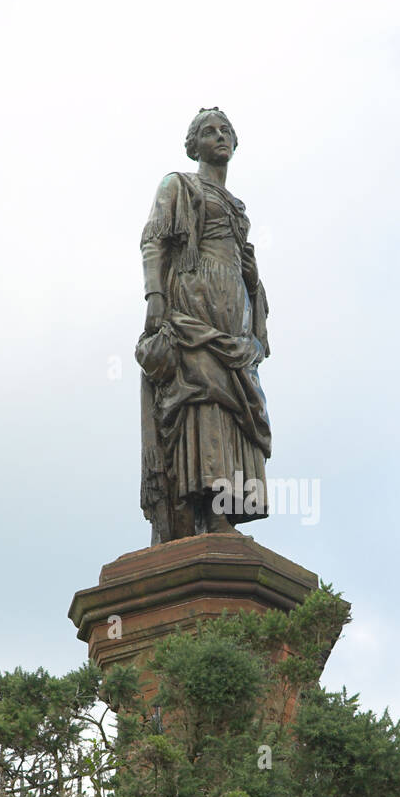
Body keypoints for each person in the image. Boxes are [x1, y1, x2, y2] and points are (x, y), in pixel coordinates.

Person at [135, 108, 271, 543]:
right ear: (193, 145)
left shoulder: (237, 206)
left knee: (234, 406)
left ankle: (229, 511)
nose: (220, 136)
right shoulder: (179, 185)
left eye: (226, 130)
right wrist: (155, 299)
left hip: (234, 318)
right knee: (203, 397)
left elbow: (243, 266)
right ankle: (208, 513)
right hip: (192, 312)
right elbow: (154, 240)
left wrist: (253, 296)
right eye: (209, 131)